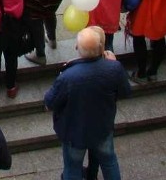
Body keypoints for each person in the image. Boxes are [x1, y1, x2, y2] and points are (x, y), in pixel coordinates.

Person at [44, 27, 131, 180]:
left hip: (74, 132)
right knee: (109, 161)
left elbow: (50, 102)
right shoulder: (114, 68)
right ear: (101, 48)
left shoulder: (68, 76)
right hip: (102, 128)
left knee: (72, 167)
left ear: (77, 48)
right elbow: (125, 92)